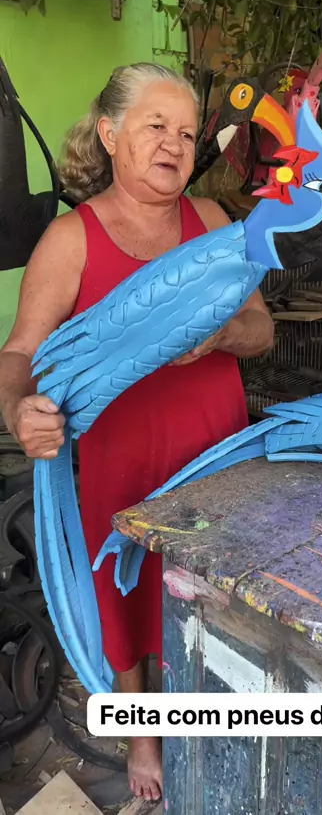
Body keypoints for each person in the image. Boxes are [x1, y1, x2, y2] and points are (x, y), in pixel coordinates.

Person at [0, 63, 274, 802]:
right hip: (124, 459)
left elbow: (261, 329)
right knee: (123, 593)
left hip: (215, 453)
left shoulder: (212, 223)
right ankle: (143, 734)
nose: (173, 144)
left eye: (185, 133)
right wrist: (19, 409)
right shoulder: (72, 240)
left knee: (213, 590)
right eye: (156, 126)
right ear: (110, 133)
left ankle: (214, 706)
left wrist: (220, 333)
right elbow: (19, 353)